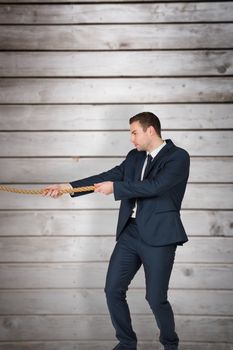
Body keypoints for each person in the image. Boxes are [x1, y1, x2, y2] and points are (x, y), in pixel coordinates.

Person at [43, 112, 190, 350]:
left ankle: (170, 345)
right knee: (112, 289)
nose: (131, 139)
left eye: (134, 133)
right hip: (130, 234)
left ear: (150, 130)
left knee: (155, 299)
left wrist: (117, 188)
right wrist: (66, 187)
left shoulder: (178, 157)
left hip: (160, 237)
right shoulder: (134, 157)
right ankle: (126, 343)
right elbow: (108, 177)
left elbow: (156, 186)